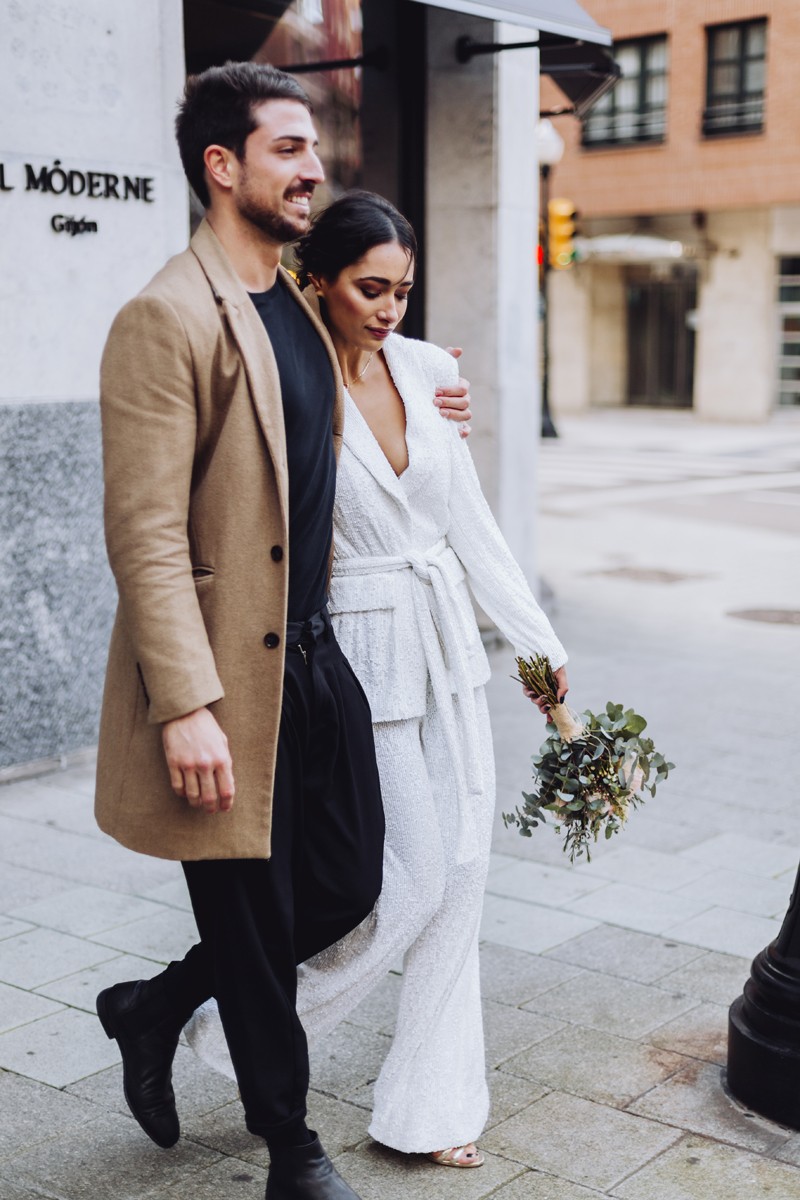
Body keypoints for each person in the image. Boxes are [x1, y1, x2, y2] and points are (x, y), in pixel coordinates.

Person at [92, 66, 470, 1200]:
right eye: (290, 148)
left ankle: (154, 1005)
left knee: (354, 887)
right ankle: (291, 1153)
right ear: (223, 166)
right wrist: (185, 703)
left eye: (314, 148)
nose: (314, 169)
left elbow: (370, 353)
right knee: (253, 920)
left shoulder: (298, 307)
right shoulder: (165, 317)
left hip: (318, 659)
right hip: (227, 681)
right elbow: (146, 533)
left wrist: (430, 383)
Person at [185, 191, 568, 1169]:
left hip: (446, 649)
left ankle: (432, 1110)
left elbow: (470, 522)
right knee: (404, 886)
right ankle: (207, 1025)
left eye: (402, 288)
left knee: (466, 880)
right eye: (370, 287)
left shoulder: (430, 370)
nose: (390, 308)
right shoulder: (281, 380)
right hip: (349, 660)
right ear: (317, 280)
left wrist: (537, 651)